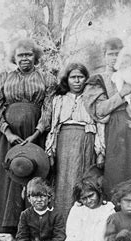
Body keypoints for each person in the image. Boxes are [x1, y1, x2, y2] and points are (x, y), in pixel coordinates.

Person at [0, 38, 57, 234]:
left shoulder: (47, 79)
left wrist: (37, 133)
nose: (25, 58)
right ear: (14, 58)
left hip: (35, 133)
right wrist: (7, 132)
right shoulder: (3, 78)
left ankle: (33, 225)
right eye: (20, 55)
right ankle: (4, 224)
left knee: (32, 171)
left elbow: (48, 108)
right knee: (8, 172)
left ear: (36, 57)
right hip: (8, 137)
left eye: (28, 54)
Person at [84, 37, 131, 201]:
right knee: (118, 172)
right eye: (110, 54)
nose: (114, 58)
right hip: (116, 129)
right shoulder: (98, 80)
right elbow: (99, 110)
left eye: (118, 54)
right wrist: (122, 93)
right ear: (104, 56)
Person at [45, 62, 105, 219]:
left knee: (83, 180)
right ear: (67, 79)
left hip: (86, 141)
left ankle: (82, 222)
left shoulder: (91, 99)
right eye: (73, 77)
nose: (77, 81)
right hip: (64, 142)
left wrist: (100, 151)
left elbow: (99, 125)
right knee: (63, 181)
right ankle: (62, 222)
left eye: (81, 77)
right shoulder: (59, 100)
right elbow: (54, 127)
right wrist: (51, 150)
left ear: (86, 79)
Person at [52, 177, 115, 241]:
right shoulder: (78, 209)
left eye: (91, 196)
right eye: (84, 198)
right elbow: (72, 232)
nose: (88, 201)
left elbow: (101, 236)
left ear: (98, 191)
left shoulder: (107, 210)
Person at [8, 177, 67, 241]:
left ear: (49, 198)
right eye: (35, 196)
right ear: (29, 198)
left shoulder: (56, 214)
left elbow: (59, 236)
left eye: (43, 196)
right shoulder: (25, 215)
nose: (39, 200)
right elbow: (21, 237)